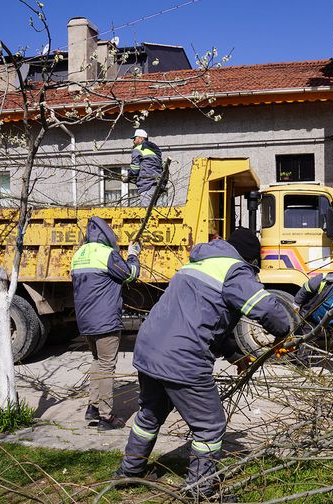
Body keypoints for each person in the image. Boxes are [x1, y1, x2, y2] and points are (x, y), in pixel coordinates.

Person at [114, 228, 291, 498]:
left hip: (149, 349)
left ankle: (129, 471)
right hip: (181, 357)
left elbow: (209, 321)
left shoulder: (199, 263)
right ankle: (200, 490)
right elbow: (267, 309)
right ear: (249, 257)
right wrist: (287, 332)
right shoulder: (234, 270)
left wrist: (237, 357)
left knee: (149, 414)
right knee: (209, 426)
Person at [70, 216, 141, 431]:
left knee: (97, 361)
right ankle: (106, 416)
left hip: (86, 320)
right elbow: (130, 275)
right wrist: (133, 255)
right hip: (105, 321)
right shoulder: (106, 254)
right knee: (107, 366)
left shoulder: (79, 254)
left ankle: (92, 408)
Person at [127, 129, 164, 207]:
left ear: (141, 138)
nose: (133, 141)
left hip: (147, 184)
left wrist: (128, 177)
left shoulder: (138, 149)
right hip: (158, 183)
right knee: (153, 209)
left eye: (134, 138)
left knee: (146, 211)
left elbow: (134, 169)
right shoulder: (154, 150)